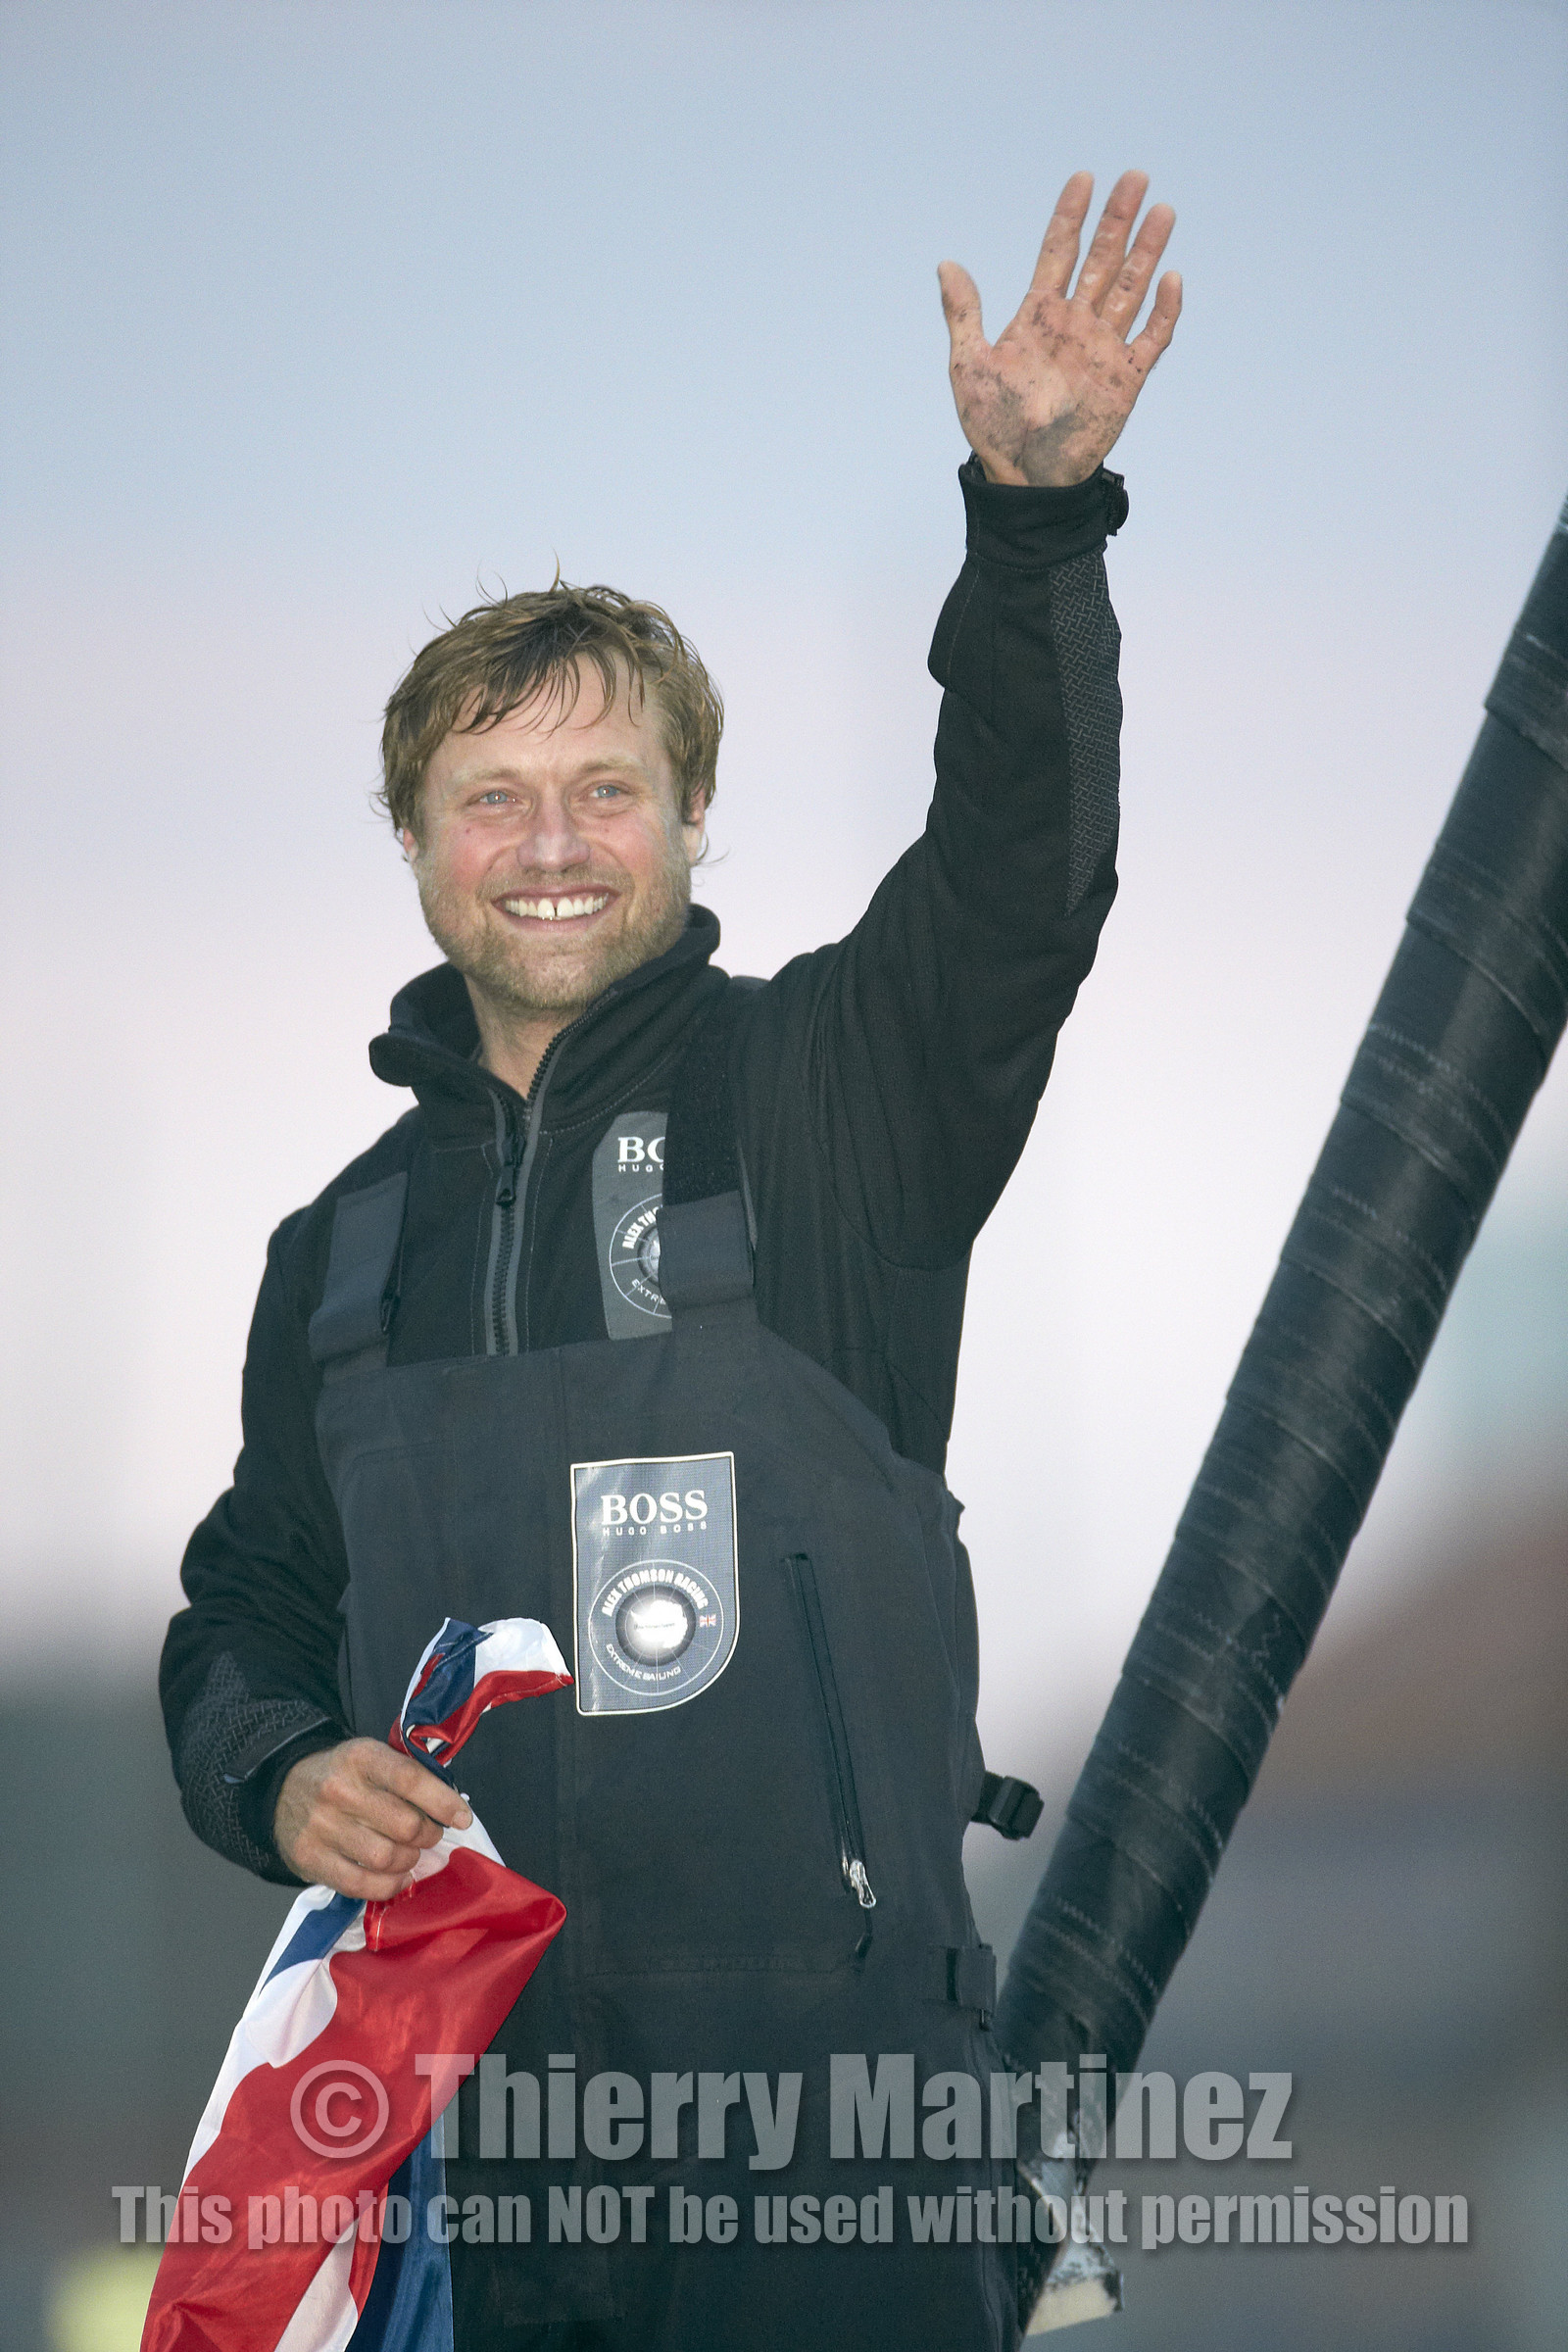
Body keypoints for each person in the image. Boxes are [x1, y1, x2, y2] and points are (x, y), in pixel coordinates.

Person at [160, 170, 1180, 2350]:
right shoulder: (334, 1252)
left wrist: (1029, 530)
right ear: (416, 842)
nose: (548, 844)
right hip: (456, 2150)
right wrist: (271, 1769)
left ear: (692, 815)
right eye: (490, 795)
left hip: (829, 2159)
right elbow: (243, 1605)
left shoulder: (828, 1097)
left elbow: (1020, 880)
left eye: (605, 789)